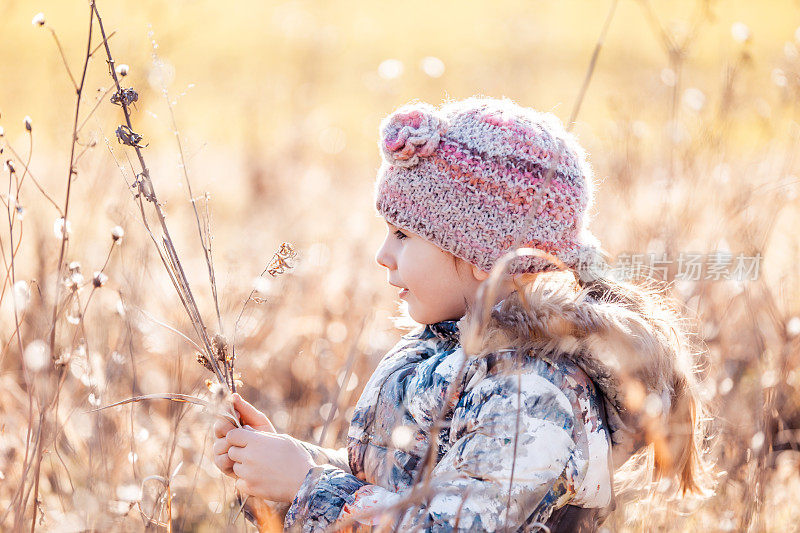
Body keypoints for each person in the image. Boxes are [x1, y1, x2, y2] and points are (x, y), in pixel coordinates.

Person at [212, 96, 711, 532]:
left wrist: (308, 487)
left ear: (480, 255)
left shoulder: (531, 391)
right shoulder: (450, 352)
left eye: (403, 235)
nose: (382, 254)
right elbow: (407, 484)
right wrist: (284, 470)